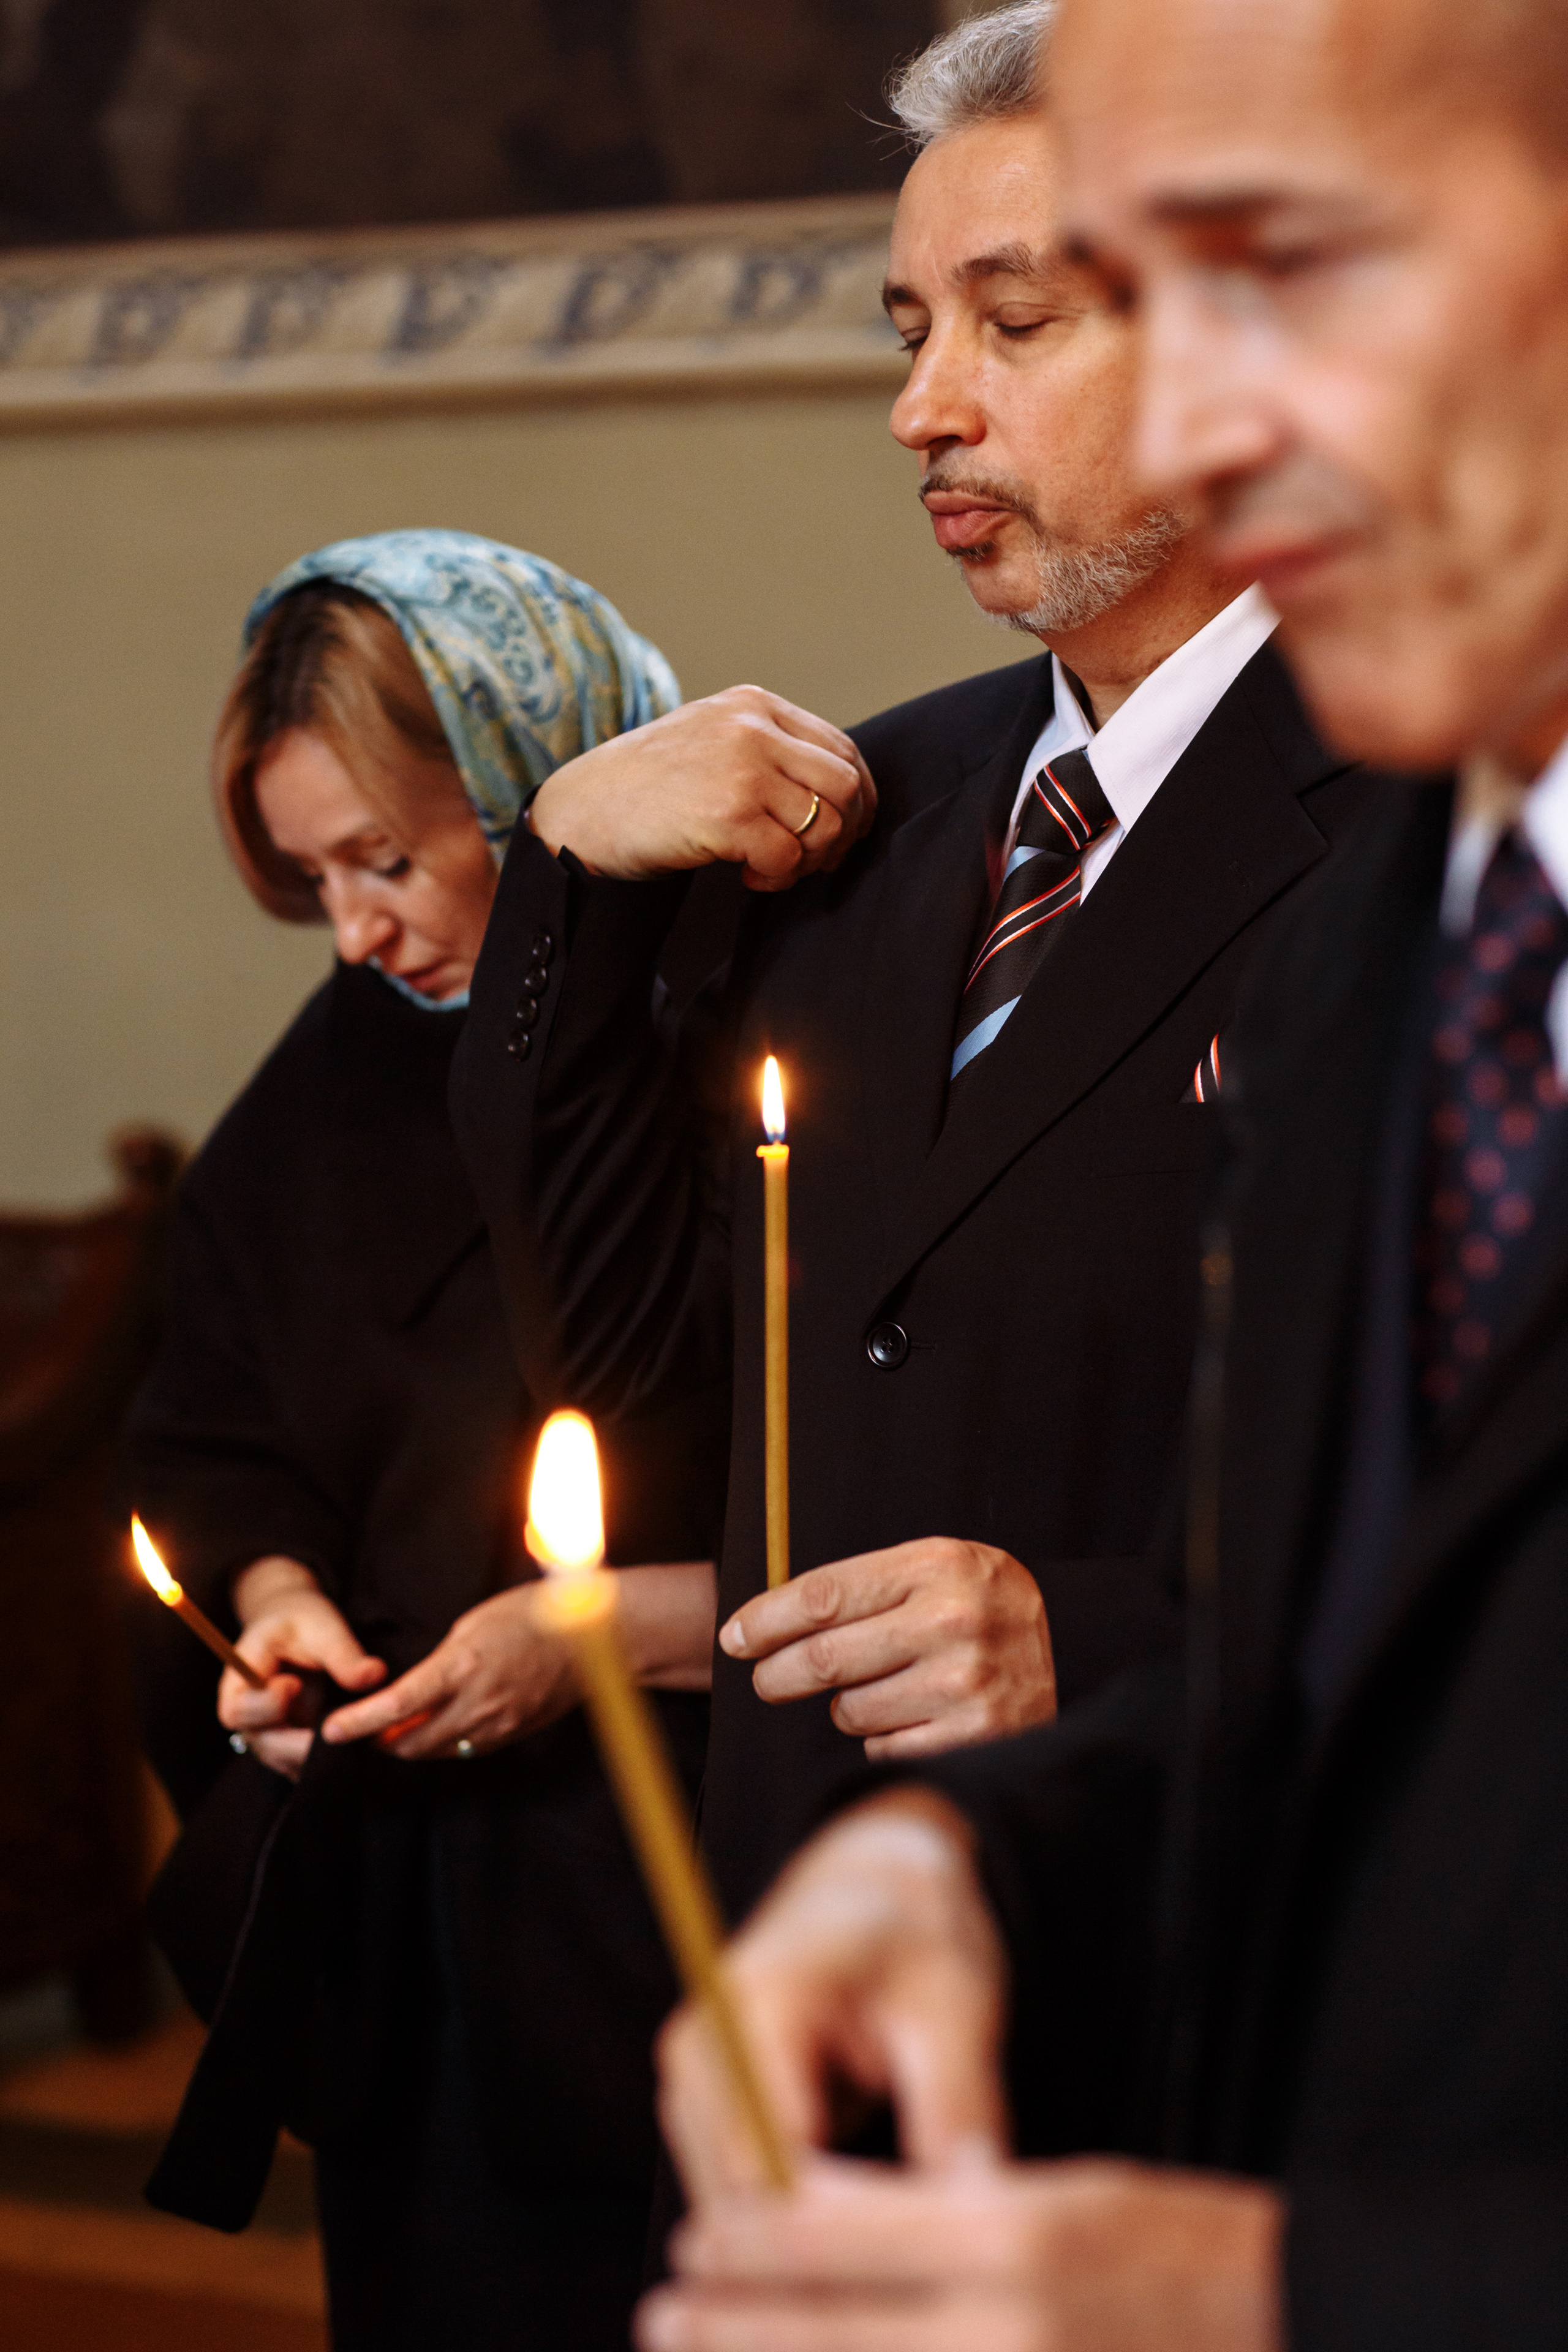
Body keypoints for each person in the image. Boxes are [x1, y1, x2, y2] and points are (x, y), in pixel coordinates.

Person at [641, 1, 1568, 2347]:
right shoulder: (1406, 923)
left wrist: (1295, 2294)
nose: (1222, 427)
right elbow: (1373, 1678)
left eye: (1293, 273)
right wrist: (974, 1855)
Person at [450, 0, 1378, 1950]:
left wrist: (1117, 1639)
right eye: (907, 331)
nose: (922, 408)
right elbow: (638, 1383)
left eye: (1014, 324)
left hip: (1200, 1977)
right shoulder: (871, 805)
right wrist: (570, 893)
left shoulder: (1448, 815)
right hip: (804, 1941)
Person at [126, 529, 725, 2352]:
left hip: (698, 1883)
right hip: (427, 1935)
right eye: (312, 878)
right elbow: (220, 1401)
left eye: (388, 859)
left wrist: (630, 1624)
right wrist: (281, 1593)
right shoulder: (337, 1070)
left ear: (544, 783)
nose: (358, 932)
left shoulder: (738, 1014)